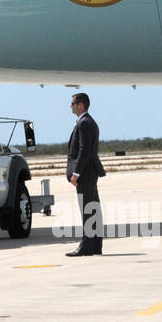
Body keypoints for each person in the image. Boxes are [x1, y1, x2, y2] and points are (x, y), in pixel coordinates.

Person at [65, 92, 105, 256]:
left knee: (88, 209)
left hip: (85, 173)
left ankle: (86, 247)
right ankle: (95, 245)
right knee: (93, 208)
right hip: (90, 172)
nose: (71, 106)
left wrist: (76, 173)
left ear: (81, 105)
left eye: (73, 103)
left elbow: (84, 151)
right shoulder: (88, 122)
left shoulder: (84, 123)